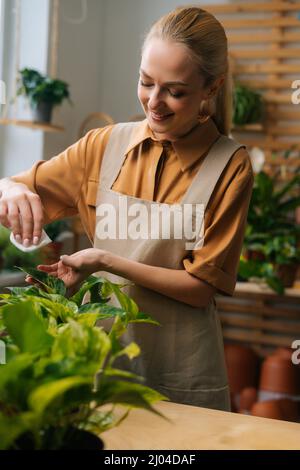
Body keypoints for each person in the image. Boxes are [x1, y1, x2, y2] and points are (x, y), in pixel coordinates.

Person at [0, 7, 254, 410]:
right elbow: (13, 193)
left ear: (211, 87)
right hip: (101, 356)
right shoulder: (102, 146)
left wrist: (105, 260)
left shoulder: (230, 165)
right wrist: (9, 188)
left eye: (175, 91)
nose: (155, 102)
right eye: (146, 82)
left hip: (181, 369)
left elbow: (200, 289)